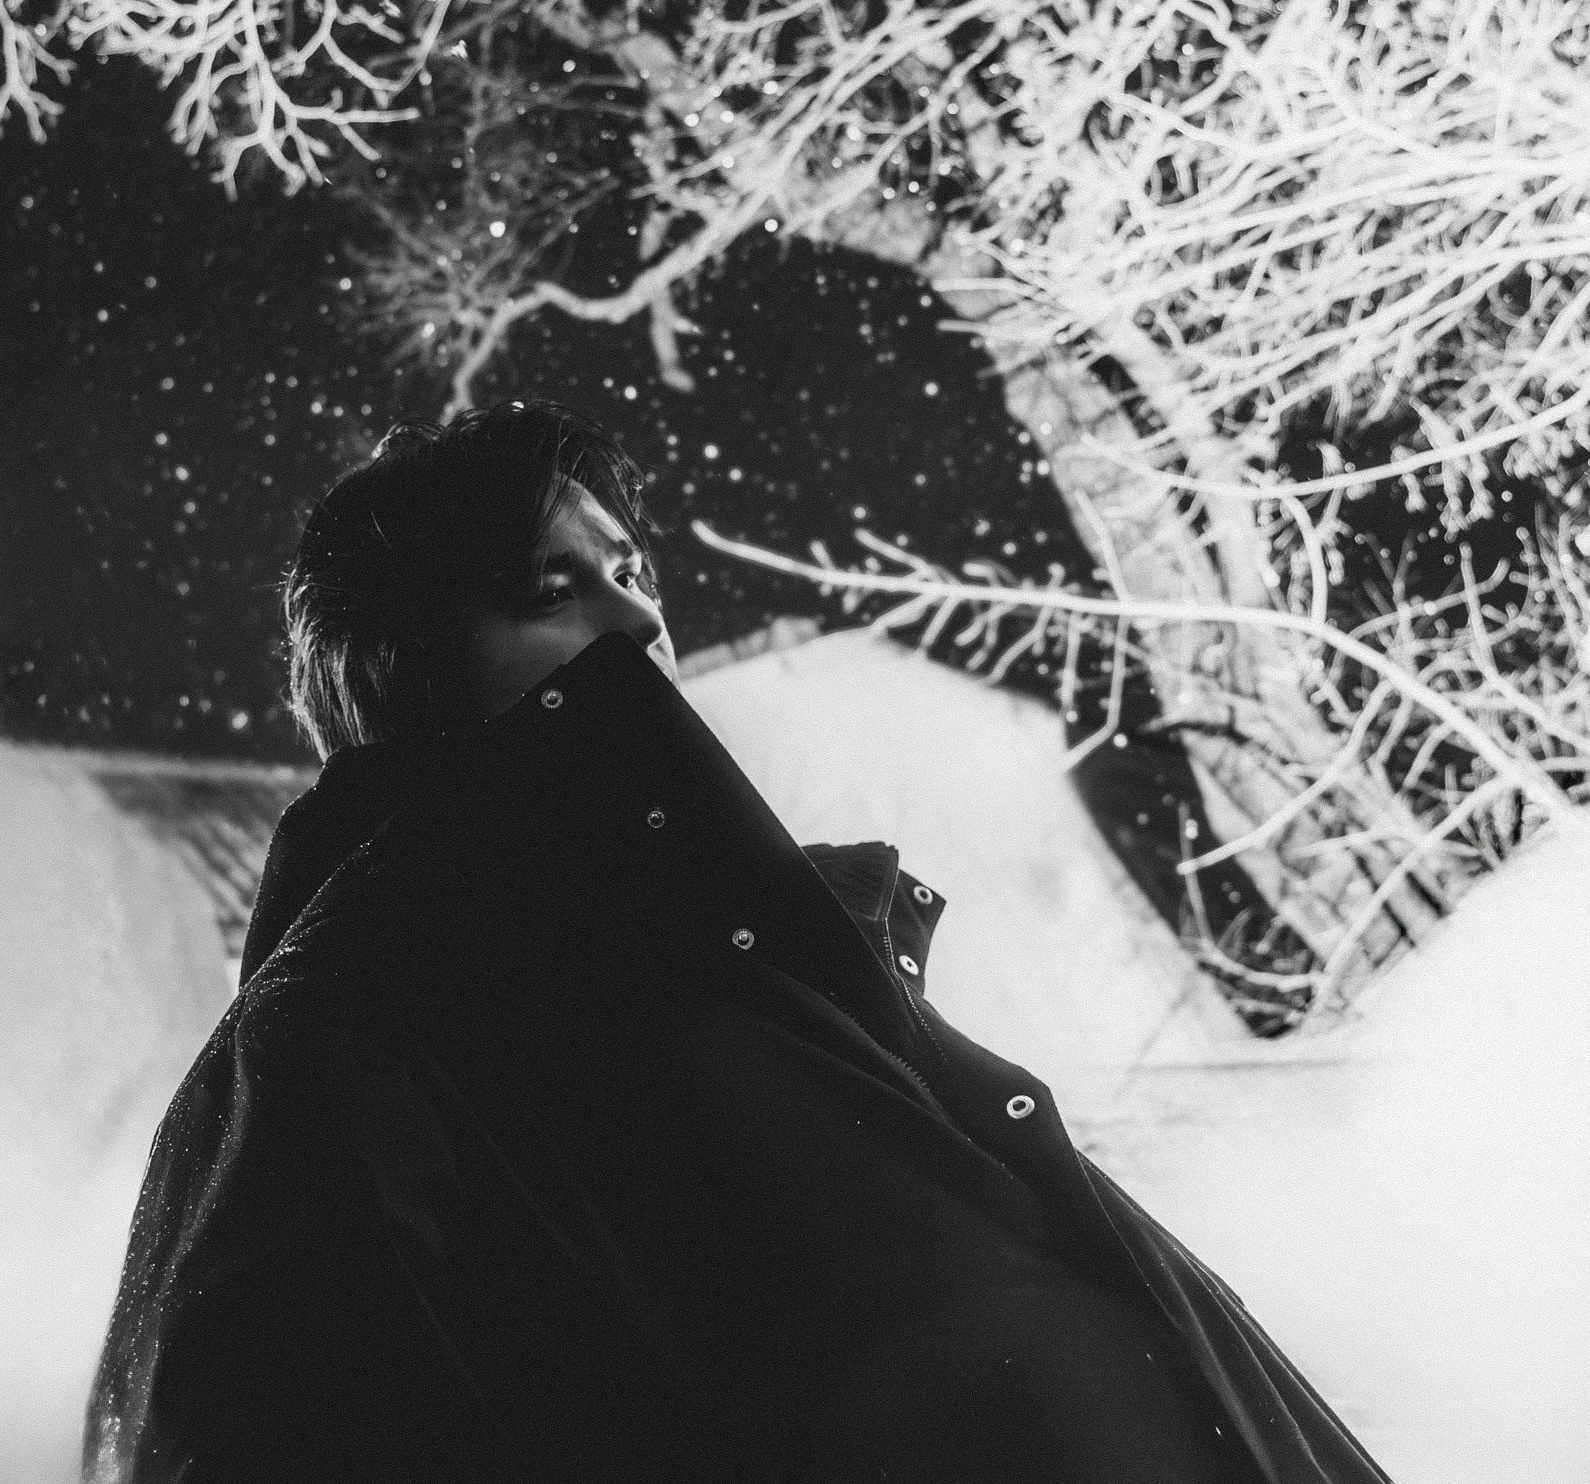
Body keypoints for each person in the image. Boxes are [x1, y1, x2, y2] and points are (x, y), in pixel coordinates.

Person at [84, 400, 1392, 1484]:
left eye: (631, 572)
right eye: (550, 591)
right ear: (406, 672)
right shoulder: (363, 1013)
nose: (639, 621)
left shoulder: (730, 959)